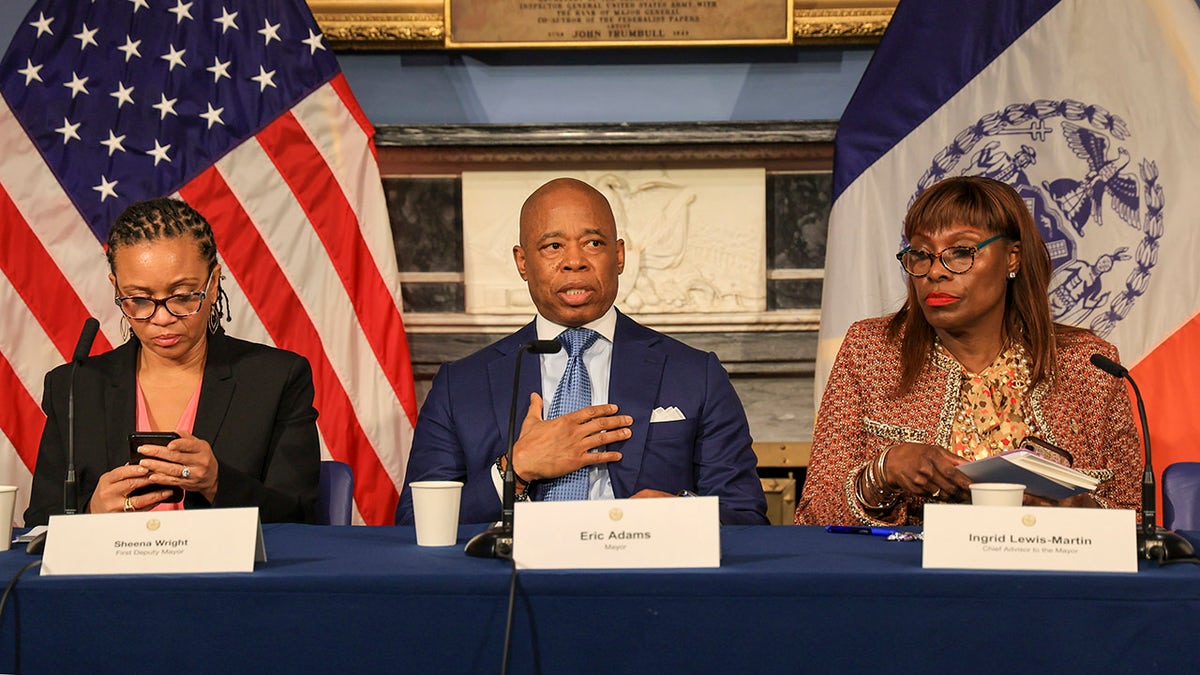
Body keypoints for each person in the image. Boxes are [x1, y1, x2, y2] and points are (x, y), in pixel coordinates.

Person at [397, 177, 767, 525]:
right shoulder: (460, 385)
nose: (574, 260)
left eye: (593, 243)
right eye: (553, 246)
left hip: (642, 579)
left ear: (619, 256)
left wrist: (676, 516)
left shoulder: (694, 374)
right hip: (512, 583)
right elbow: (416, 522)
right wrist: (516, 468)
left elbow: (745, 515)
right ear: (523, 262)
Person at [795, 176, 1141, 526]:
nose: (935, 272)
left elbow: (1135, 520)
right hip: (913, 577)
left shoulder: (1088, 363)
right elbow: (813, 516)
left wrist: (1082, 513)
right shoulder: (870, 351)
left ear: (1012, 258)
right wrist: (883, 472)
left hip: (1048, 574)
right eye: (921, 254)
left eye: (961, 252)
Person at [25, 198, 320, 526]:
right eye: (138, 299)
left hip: (228, 576)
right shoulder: (75, 386)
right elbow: (38, 523)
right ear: (116, 288)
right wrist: (90, 514)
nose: (162, 318)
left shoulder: (276, 379)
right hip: (110, 577)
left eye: (182, 296)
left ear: (213, 283)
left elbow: (300, 519)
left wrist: (217, 483)